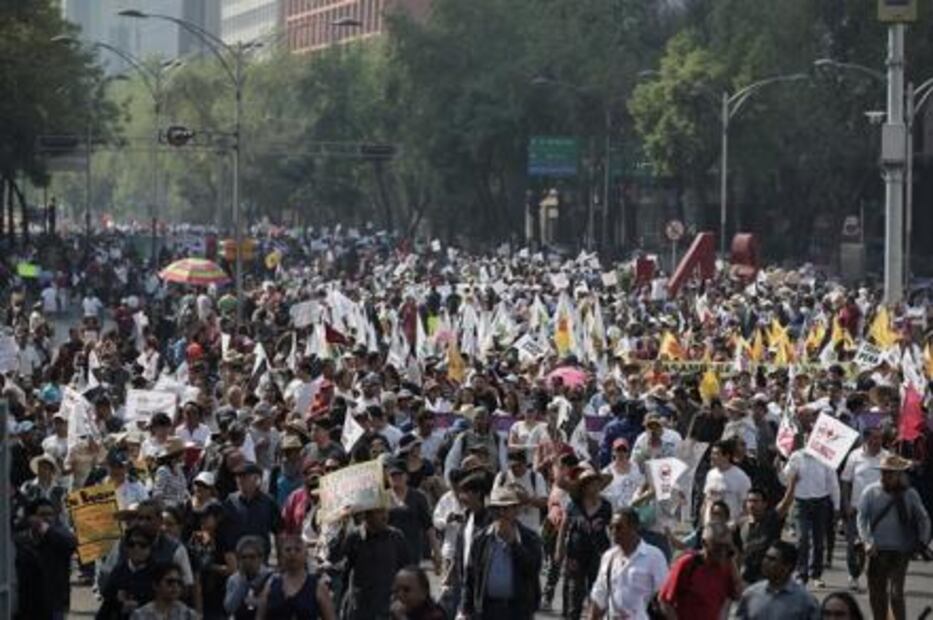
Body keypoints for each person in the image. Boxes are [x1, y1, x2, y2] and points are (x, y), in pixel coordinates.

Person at [857, 454, 931, 620]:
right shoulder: (870, 491)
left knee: (896, 594)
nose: (885, 476)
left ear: (900, 474)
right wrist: (867, 542)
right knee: (877, 594)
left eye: (890, 473)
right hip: (876, 551)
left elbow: (923, 519)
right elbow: (861, 518)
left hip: (901, 551)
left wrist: (922, 543)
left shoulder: (910, 494)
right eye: (883, 472)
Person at [459, 484, 543, 620]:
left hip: (517, 610)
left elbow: (533, 569)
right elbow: (470, 577)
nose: (500, 514)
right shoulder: (481, 539)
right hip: (487, 610)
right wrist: (465, 610)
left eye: (505, 508)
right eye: (496, 509)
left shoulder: (529, 538)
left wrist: (513, 544)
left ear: (516, 510)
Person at [588, 507, 668, 620]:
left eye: (619, 527)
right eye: (611, 527)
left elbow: (663, 597)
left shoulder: (654, 557)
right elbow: (599, 596)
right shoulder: (608, 557)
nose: (613, 532)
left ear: (634, 528)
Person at [557, 466, 613, 620]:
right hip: (576, 556)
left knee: (597, 595)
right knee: (574, 595)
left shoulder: (607, 507)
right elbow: (564, 526)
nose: (594, 486)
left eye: (596, 483)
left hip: (599, 555)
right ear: (583, 486)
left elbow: (613, 530)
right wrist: (559, 549)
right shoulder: (574, 505)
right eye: (590, 483)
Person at [782, 441, 839, 587]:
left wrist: (836, 505)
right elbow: (785, 476)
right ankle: (801, 573)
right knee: (803, 539)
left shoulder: (826, 457)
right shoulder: (797, 456)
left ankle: (816, 575)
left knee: (819, 541)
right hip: (801, 503)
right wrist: (792, 468)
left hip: (821, 503)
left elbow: (833, 482)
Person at [657, 522, 742, 620]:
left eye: (726, 547)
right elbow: (664, 600)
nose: (722, 552)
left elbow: (738, 594)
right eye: (717, 547)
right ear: (704, 543)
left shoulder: (726, 567)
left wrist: (731, 559)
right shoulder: (688, 564)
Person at [340, 506, 411, 620]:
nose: (385, 516)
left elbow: (407, 571)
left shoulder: (396, 537)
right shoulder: (354, 537)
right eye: (379, 512)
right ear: (366, 515)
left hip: (387, 607)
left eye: (386, 511)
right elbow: (343, 570)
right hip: (360, 608)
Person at [13, 497, 78, 620]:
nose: (47, 518)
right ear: (31, 518)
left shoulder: (58, 538)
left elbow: (71, 544)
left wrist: (45, 529)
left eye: (50, 514)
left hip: (53, 607)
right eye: (42, 514)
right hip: (27, 607)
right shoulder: (21, 541)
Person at [840, 427, 887, 592]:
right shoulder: (854, 456)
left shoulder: (887, 457)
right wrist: (846, 503)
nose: (877, 442)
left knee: (876, 547)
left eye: (880, 438)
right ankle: (854, 575)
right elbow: (846, 481)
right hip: (856, 510)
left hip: (881, 512)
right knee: (855, 547)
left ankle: (874, 579)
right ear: (866, 439)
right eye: (874, 438)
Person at [255, 533, 336, 620]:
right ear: (281, 555)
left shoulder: (317, 587)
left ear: (305, 555)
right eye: (288, 550)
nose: (292, 553)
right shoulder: (271, 584)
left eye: (297, 550)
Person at [736, 540, 819, 619]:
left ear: (787, 566)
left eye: (772, 559)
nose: (765, 562)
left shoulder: (805, 601)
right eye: (765, 557)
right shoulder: (751, 595)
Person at [219, 462, 283, 561]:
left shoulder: (268, 502)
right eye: (238, 477)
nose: (240, 480)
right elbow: (224, 532)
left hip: (261, 559)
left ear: (256, 479)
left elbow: (278, 532)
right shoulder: (230, 501)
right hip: (237, 559)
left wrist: (281, 559)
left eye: (244, 477)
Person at [386, 457, 441, 571]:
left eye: (399, 474)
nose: (396, 478)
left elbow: (428, 526)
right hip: (388, 552)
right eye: (392, 475)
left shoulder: (418, 497)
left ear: (406, 476)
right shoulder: (383, 497)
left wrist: (436, 551)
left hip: (411, 551)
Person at [97, 528, 158, 620]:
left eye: (142, 545)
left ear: (150, 548)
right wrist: (119, 604)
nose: (136, 548)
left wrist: (139, 604)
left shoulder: (158, 573)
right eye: (131, 544)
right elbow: (107, 604)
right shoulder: (118, 571)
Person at [737, 487, 789, 584]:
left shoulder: (771, 519)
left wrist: (792, 484)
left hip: (767, 574)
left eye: (755, 501)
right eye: (749, 501)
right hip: (747, 574)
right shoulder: (741, 524)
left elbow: (785, 504)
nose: (752, 505)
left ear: (764, 504)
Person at [492, 448, 548, 531]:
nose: (516, 469)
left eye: (519, 465)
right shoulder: (502, 477)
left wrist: (528, 499)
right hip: (507, 529)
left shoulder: (536, 477)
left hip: (530, 528)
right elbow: (493, 500)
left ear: (525, 463)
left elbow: (544, 503)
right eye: (513, 466)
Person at [702, 439, 751, 526]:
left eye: (716, 454)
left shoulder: (740, 477)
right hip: (710, 528)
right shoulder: (710, 474)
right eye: (712, 453)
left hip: (730, 528)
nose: (712, 457)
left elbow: (747, 507)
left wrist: (736, 524)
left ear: (727, 456)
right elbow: (706, 501)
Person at [224, 536, 274, 620]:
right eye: (244, 557)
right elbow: (229, 608)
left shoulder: (271, 578)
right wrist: (242, 582)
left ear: (261, 558)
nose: (247, 561)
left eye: (252, 557)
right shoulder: (234, 580)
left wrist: (256, 602)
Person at [129, 562, 199, 620]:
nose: (175, 586)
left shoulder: (189, 615)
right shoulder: (140, 616)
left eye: (179, 582)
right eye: (170, 582)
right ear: (155, 585)